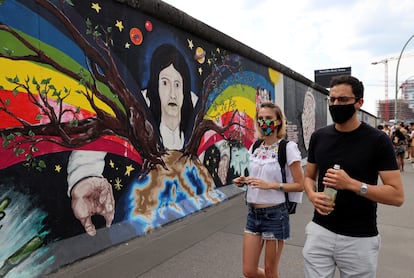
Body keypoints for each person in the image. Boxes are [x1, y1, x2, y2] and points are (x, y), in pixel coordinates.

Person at [302, 75, 404, 278]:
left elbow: (396, 195)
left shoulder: (378, 140)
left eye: (343, 100)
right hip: (320, 232)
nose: (335, 104)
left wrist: (352, 184)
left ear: (359, 103)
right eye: (332, 100)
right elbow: (308, 177)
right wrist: (313, 196)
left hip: (359, 239)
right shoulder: (319, 137)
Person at [233, 101, 304, 278]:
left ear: (279, 121)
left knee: (271, 271)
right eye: (261, 118)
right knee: (248, 270)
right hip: (252, 214)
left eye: (269, 118)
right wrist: (244, 181)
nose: (264, 122)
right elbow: (257, 175)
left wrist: (271, 185)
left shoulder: (288, 148)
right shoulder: (255, 147)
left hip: (275, 214)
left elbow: (300, 184)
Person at [145, 44, 195, 150]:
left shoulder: (197, 106)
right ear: (156, 86)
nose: (172, 94)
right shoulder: (142, 106)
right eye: (165, 83)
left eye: (177, 84)